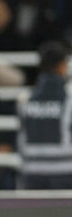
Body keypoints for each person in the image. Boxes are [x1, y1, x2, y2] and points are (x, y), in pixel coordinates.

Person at [18, 41, 72, 189]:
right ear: (62, 66)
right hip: (65, 176)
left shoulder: (25, 99)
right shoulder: (69, 99)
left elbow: (21, 141)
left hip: (32, 176)